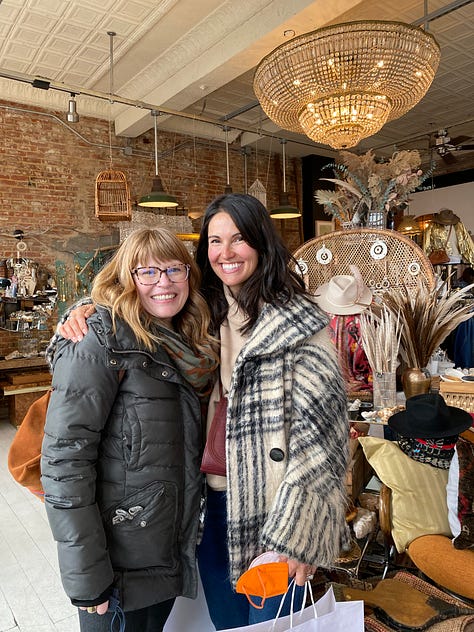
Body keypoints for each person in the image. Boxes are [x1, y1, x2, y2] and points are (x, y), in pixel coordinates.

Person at [59, 194, 351, 630]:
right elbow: (134, 309)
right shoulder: (202, 315)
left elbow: (324, 443)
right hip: (211, 509)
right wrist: (83, 312)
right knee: (228, 625)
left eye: (238, 239)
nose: (226, 252)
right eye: (215, 241)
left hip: (275, 511)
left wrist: (298, 536)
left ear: (261, 243)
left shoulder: (300, 326)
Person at [41, 228, 218, 632]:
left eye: (174, 270)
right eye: (147, 272)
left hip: (164, 546)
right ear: (126, 279)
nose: (164, 283)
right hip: (118, 559)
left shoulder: (190, 340)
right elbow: (65, 463)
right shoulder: (98, 339)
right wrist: (87, 579)